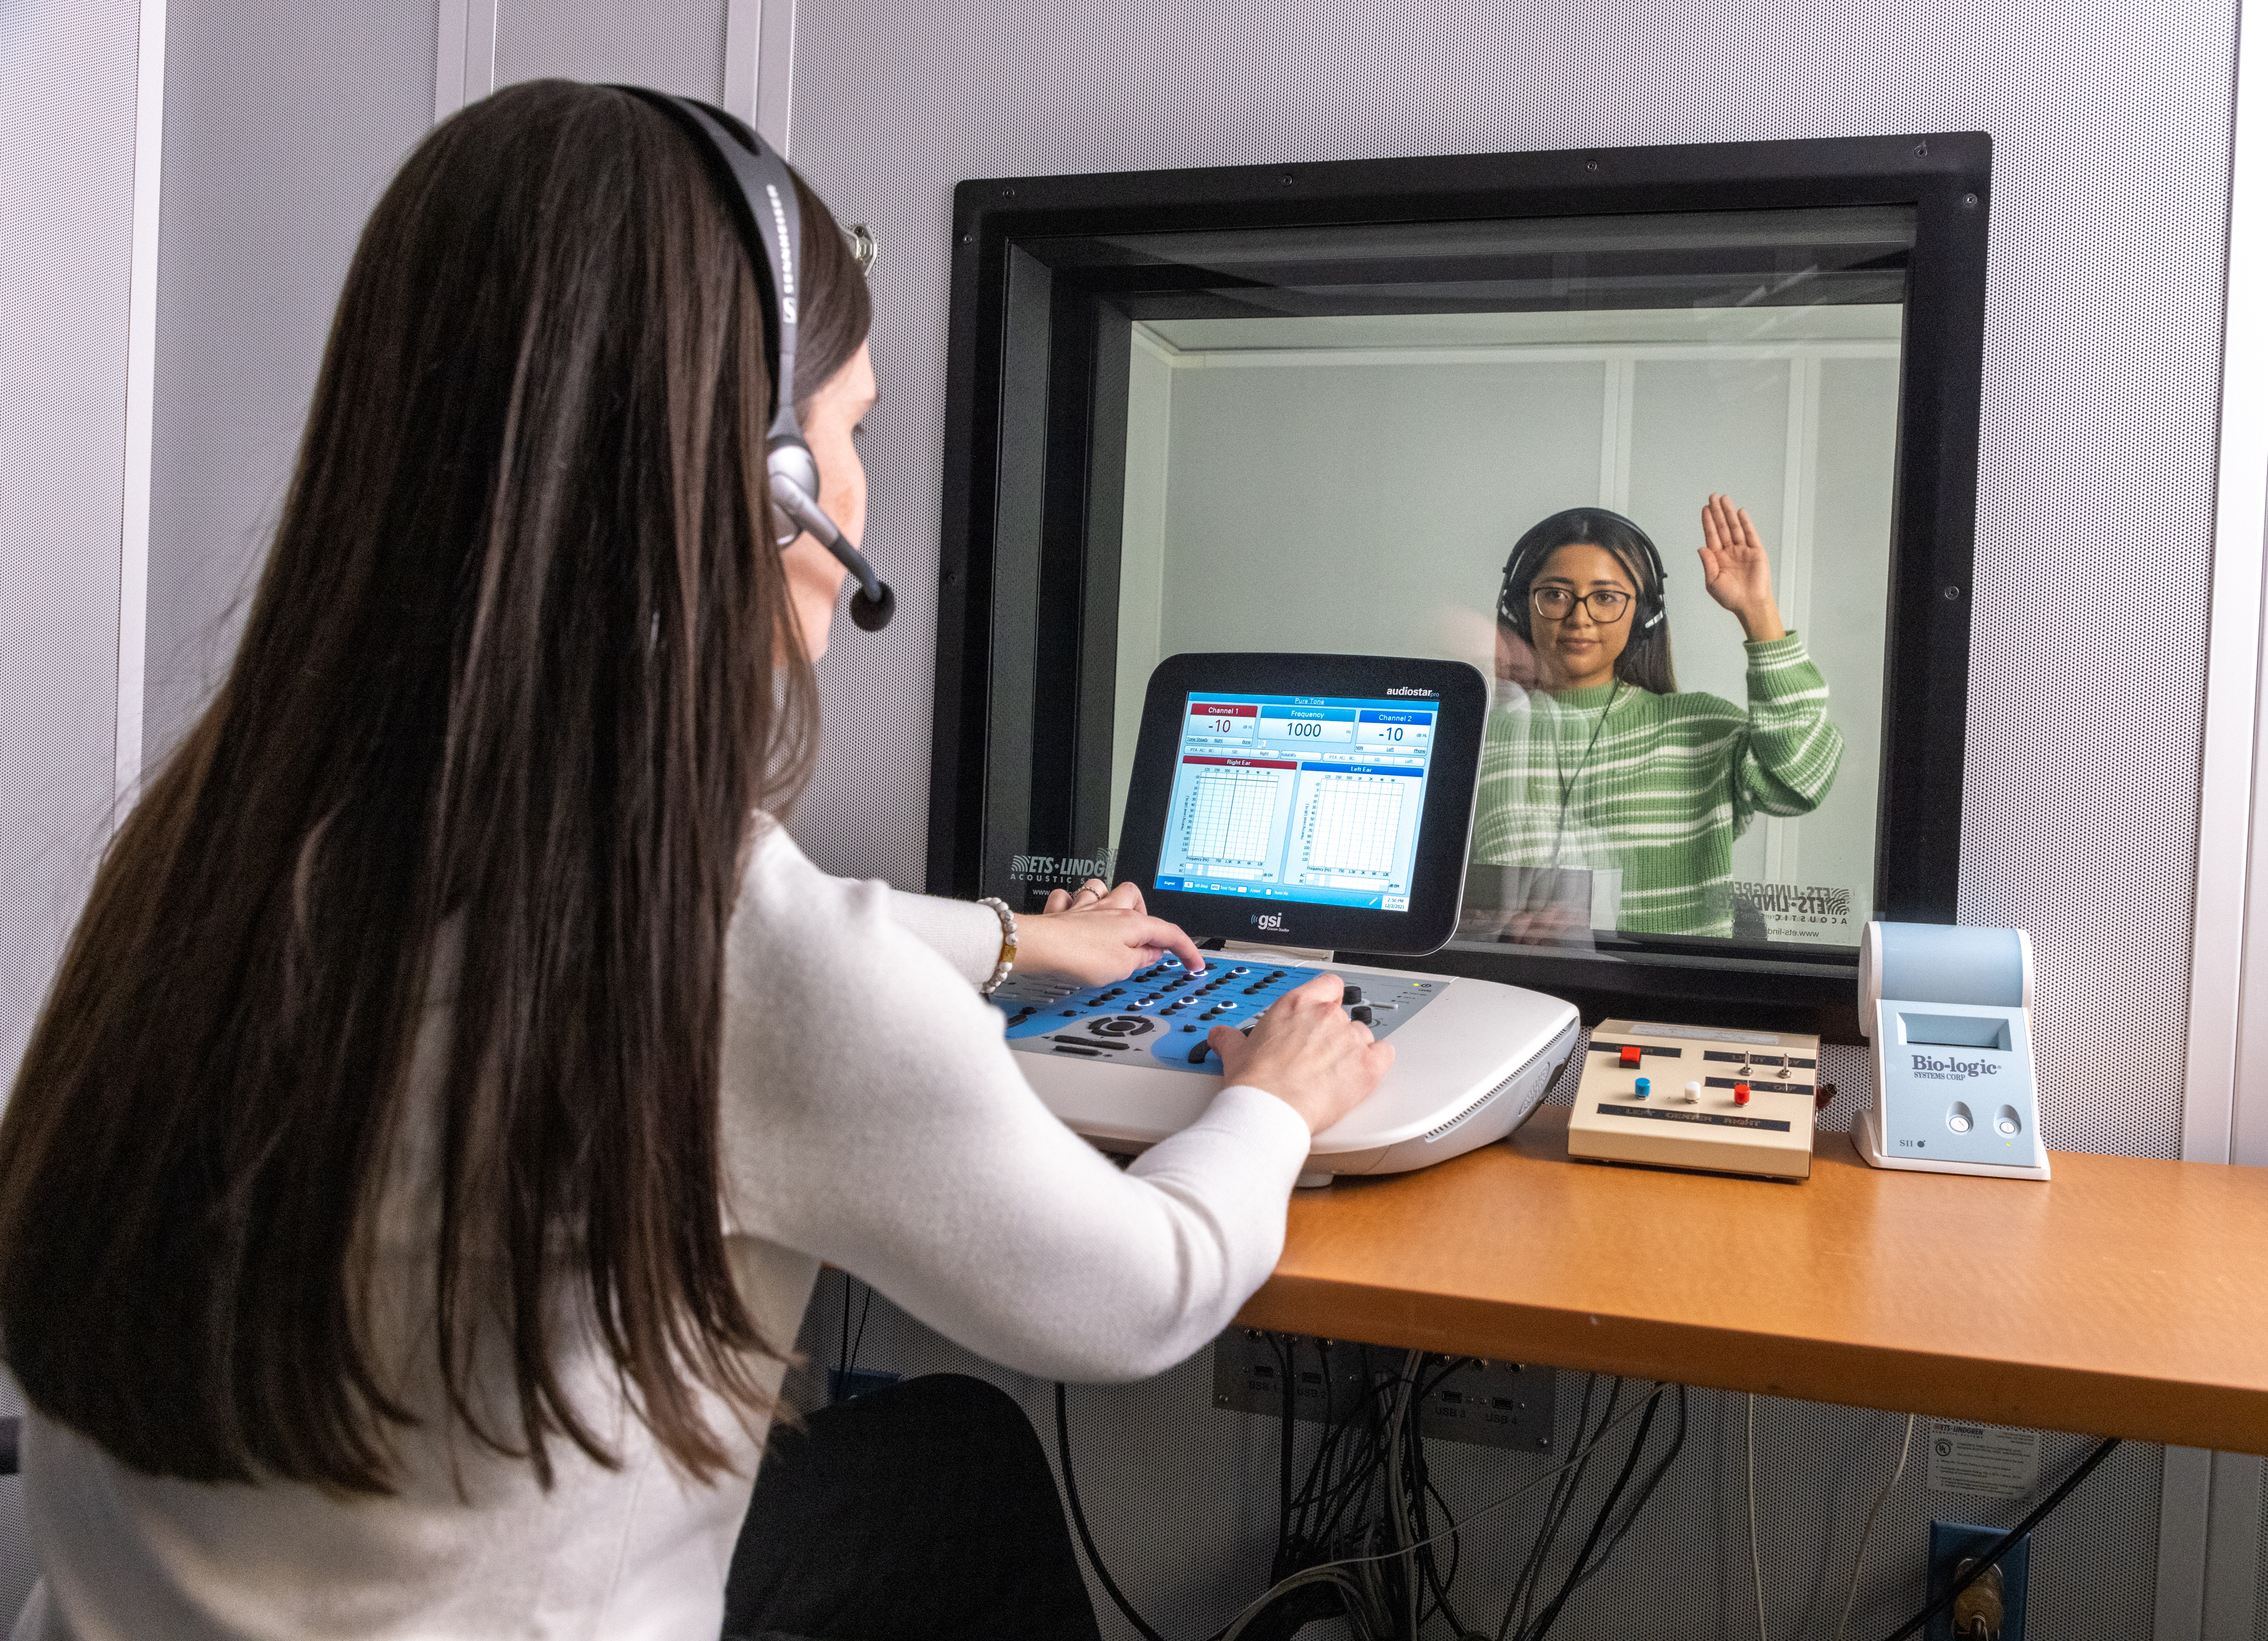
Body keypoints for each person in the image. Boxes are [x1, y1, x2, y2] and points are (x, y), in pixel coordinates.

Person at [0, 82, 1389, 1641]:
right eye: (851, 427)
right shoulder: (746, 957)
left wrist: (1004, 939)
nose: (858, 482)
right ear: (769, 481)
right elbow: (1147, 1288)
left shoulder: (224, 834)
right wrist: (1274, 1100)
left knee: (943, 1459)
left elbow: (673, 956)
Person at [1468, 501, 1842, 940]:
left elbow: (1804, 781)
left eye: (1606, 597)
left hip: (1664, 999)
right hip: (1516, 995)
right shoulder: (1476, 736)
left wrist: (1758, 611)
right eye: (1555, 594)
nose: (1579, 617)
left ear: (1644, 616)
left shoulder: (1699, 728)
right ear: (1519, 607)